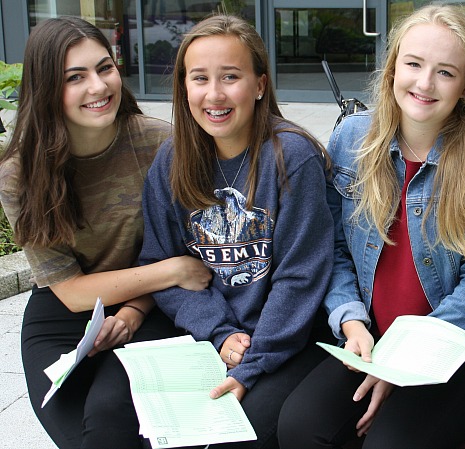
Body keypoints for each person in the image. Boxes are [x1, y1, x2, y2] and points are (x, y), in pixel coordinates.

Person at [277, 5, 465, 449]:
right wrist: (352, 323)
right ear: (393, 66)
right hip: (372, 333)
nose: (424, 83)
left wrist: (402, 362)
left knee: (389, 443)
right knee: (299, 427)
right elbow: (334, 250)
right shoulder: (352, 139)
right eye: (413, 64)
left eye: (445, 72)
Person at [0, 17, 213, 449]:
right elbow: (72, 292)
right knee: (79, 434)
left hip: (156, 304)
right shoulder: (19, 172)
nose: (98, 87)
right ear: (45, 90)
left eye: (105, 68)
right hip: (67, 312)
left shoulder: (160, 144)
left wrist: (134, 309)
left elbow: (197, 258)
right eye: (75, 77)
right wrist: (171, 271)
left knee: (110, 422)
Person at [138, 14, 334, 449]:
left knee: (239, 435)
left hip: (288, 340)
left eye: (230, 76)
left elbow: (301, 277)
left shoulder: (291, 157)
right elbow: (160, 263)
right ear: (183, 87)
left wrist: (251, 361)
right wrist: (219, 332)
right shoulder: (171, 162)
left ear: (260, 85)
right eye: (200, 78)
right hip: (213, 340)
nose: (214, 94)